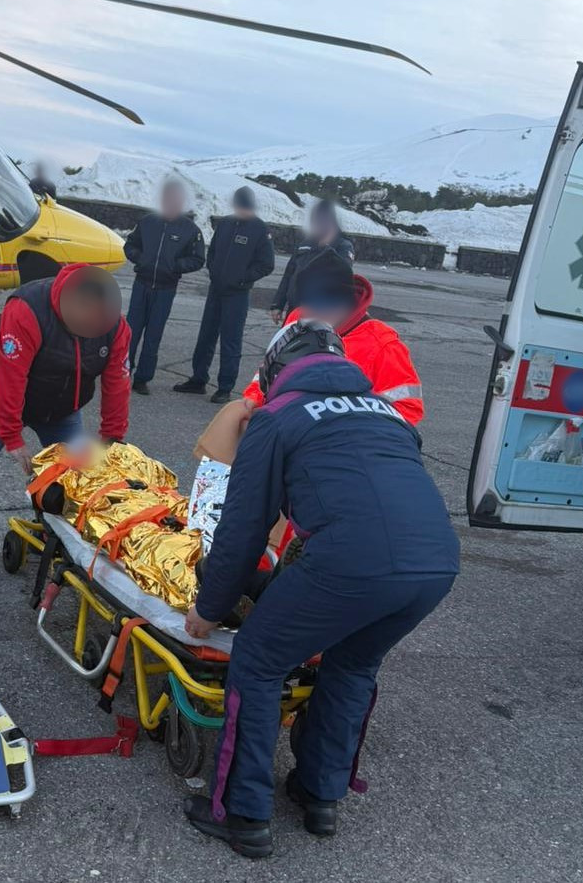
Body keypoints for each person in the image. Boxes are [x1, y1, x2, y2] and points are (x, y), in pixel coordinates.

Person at [182, 320, 458, 859]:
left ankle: (242, 815)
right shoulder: (387, 414)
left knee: (259, 662)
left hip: (350, 563)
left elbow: (242, 532)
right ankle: (319, 794)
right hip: (434, 566)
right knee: (352, 665)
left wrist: (209, 609)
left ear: (276, 370)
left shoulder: (278, 417)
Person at [0, 263, 130, 578]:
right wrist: (11, 437)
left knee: (75, 470)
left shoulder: (115, 326)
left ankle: (54, 532)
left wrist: (112, 439)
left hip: (61, 403)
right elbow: (10, 378)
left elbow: (117, 380)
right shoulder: (27, 309)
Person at [244, 263, 423, 424]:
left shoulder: (382, 344)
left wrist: (344, 424)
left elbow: (408, 409)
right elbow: (267, 372)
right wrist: (253, 400)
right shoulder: (298, 318)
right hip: (285, 424)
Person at [173, 186, 274, 403]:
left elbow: (266, 264)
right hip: (216, 290)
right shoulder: (226, 223)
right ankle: (198, 380)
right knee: (206, 337)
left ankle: (225, 387)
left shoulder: (259, 229)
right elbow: (213, 252)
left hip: (237, 294)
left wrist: (242, 279)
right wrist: (214, 271)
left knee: (230, 341)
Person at [123, 179, 205, 395]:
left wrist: (175, 266)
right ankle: (123, 373)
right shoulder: (147, 222)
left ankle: (142, 379)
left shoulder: (190, 230)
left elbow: (197, 259)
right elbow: (130, 245)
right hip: (141, 284)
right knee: (130, 333)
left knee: (153, 336)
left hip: (165, 290)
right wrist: (141, 259)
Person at [270, 199, 355, 322]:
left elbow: (341, 275)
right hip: (294, 309)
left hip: (320, 312)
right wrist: (277, 304)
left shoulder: (343, 245)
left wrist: (324, 247)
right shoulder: (305, 244)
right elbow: (289, 274)